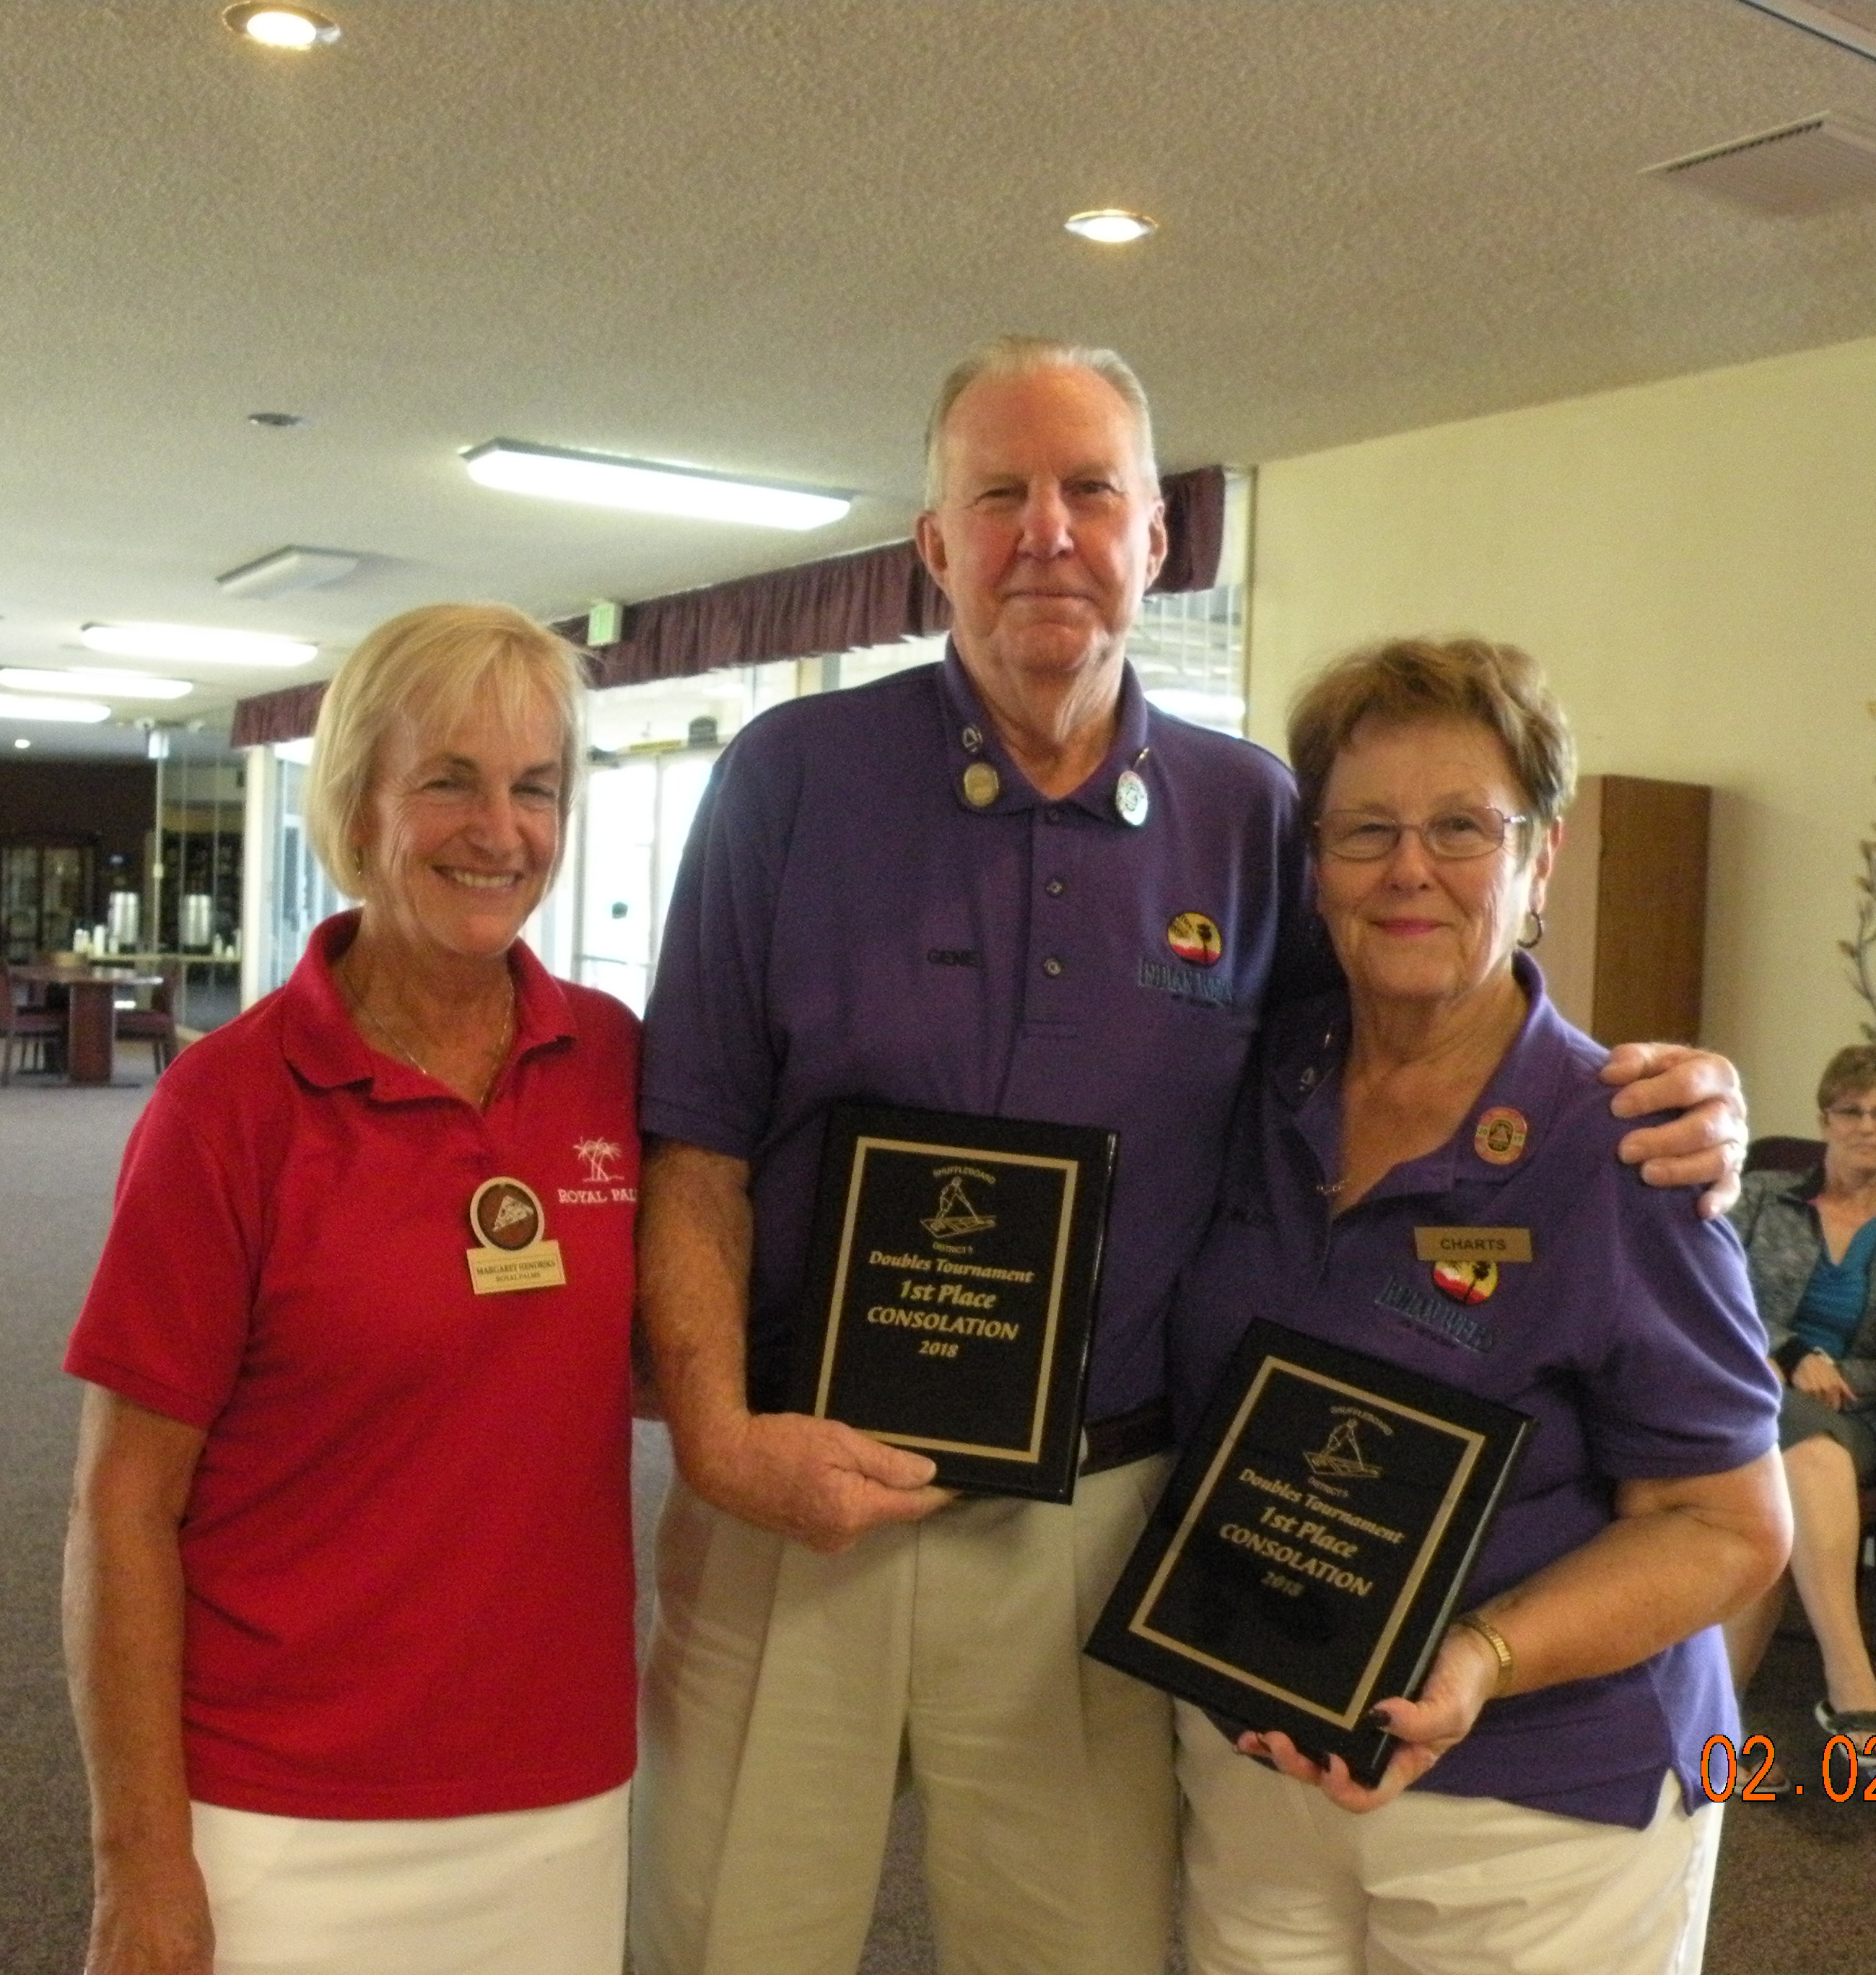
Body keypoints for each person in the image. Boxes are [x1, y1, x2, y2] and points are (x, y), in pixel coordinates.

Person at [631, 335, 1752, 1975]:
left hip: (1101, 1512)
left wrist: (1656, 1088)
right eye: (996, 493)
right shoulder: (791, 780)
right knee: (733, 1931)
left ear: (1160, 537)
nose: (1046, 532)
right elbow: (700, 1142)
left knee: (1075, 1943)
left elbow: (1416, 1015)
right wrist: (720, 1440)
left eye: (1090, 490)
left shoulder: (1251, 814)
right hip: (794, 1492)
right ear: (931, 542)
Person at [1166, 636, 1790, 1975]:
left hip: (1537, 1809)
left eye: (1462, 827)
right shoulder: (1250, 1085)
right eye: (1364, 830)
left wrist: (1479, 1656)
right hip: (1258, 1761)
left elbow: (1727, 1530)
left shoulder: (1625, 1144)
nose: (1408, 869)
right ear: (1312, 863)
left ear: (1539, 858)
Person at [61, 604, 640, 1975]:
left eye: (533, 786)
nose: (496, 828)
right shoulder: (228, 1106)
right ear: (358, 802)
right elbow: (122, 1505)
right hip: (281, 1808)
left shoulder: (615, 1060)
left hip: (558, 1788)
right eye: (447, 778)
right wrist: (138, 1862)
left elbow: (680, 1350)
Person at [1719, 1044, 1876, 1746]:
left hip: (1855, 1424)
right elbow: (1708, 1295)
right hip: (1744, 1396)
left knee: (1801, 1464)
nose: (1867, 1126)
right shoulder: (1758, 1200)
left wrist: (1839, 1377)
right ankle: (1853, 1692)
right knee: (1793, 1470)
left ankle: (1713, 1732)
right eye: (1852, 1111)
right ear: (1825, 1118)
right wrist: (1790, 1351)